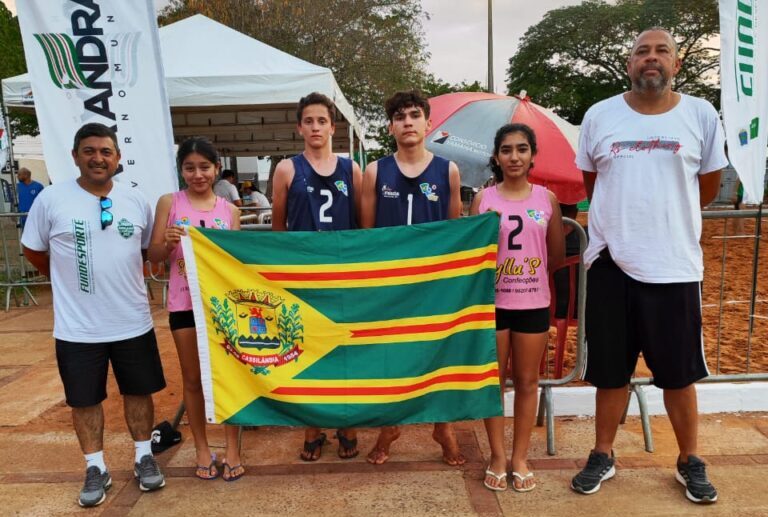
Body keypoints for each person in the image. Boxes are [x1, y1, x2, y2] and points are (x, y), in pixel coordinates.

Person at [570, 28, 727, 504]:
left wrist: (664, 225)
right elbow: (594, 183)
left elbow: (708, 187)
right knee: (610, 372)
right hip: (611, 264)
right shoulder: (600, 115)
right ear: (629, 64)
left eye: (661, 52)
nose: (651, 59)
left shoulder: (700, 114)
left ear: (676, 64)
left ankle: (689, 460)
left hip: (674, 266)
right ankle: (603, 453)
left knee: (680, 374)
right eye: (642, 52)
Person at [21, 123, 166, 507]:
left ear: (117, 158)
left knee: (139, 392)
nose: (98, 158)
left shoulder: (136, 200)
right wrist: (65, 279)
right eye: (89, 151)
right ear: (75, 156)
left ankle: (143, 457)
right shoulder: (52, 199)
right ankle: (95, 467)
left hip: (132, 320)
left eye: (105, 151)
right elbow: (33, 250)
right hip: (78, 328)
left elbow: (146, 251)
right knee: (84, 400)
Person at [360, 90, 464, 466]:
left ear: (428, 123)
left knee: (437, 356)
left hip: (433, 284)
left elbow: (455, 234)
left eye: (414, 115)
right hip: (391, 285)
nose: (407, 122)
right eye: (400, 116)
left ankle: (443, 427)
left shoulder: (448, 170)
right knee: (392, 357)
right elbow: (367, 234)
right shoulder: (375, 170)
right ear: (391, 126)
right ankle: (389, 426)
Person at [471, 124, 564, 492]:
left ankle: (520, 457)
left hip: (532, 304)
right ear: (496, 156)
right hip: (492, 305)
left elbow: (555, 254)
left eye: (521, 149)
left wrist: (529, 273)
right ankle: (496, 455)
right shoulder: (483, 199)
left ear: (532, 155)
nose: (514, 156)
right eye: (507, 150)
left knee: (527, 382)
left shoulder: (547, 199)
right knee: (494, 384)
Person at [272, 92, 362, 460]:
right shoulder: (287, 169)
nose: (315, 127)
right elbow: (279, 227)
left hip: (342, 276)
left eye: (321, 121)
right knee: (306, 350)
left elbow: (361, 224)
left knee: (345, 348)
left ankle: (347, 421)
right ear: (299, 127)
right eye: (308, 121)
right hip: (303, 276)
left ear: (332, 127)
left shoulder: (350, 169)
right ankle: (313, 425)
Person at [147, 137, 244, 481]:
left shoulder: (230, 211)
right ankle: (202, 448)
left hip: (221, 308)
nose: (198, 174)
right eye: (190, 167)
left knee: (230, 377)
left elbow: (235, 262)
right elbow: (154, 256)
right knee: (192, 379)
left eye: (204, 167)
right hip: (184, 303)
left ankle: (232, 448)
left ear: (217, 168)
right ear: (181, 170)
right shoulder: (168, 203)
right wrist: (166, 243)